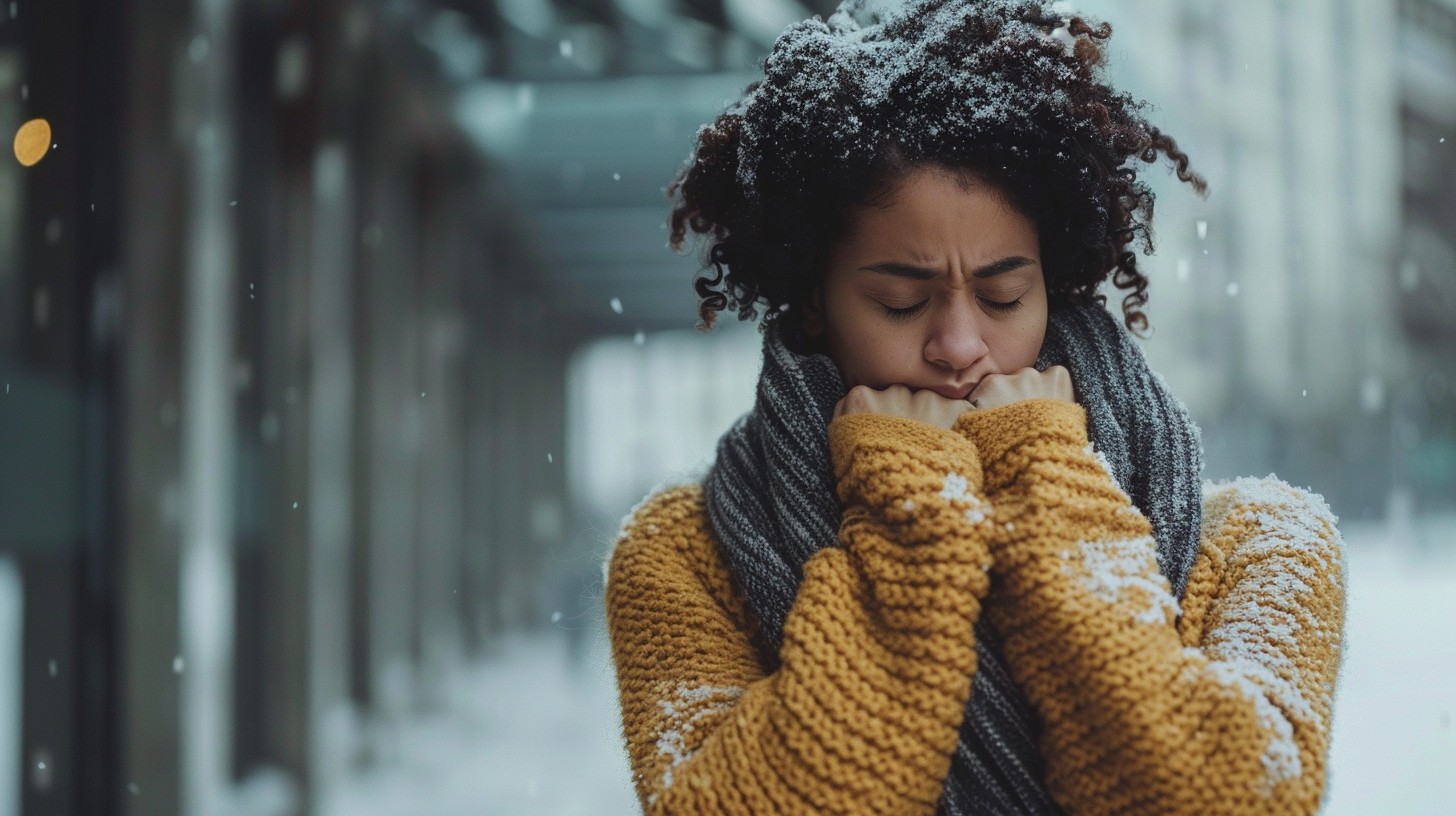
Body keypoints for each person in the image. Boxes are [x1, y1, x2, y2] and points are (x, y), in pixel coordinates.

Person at [603, 0, 1347, 813]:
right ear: (813, 299)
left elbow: (1233, 800)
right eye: (899, 301)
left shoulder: (1266, 545)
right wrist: (914, 521)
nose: (959, 344)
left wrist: (1051, 483)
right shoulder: (682, 557)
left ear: (1053, 289)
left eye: (1002, 296)